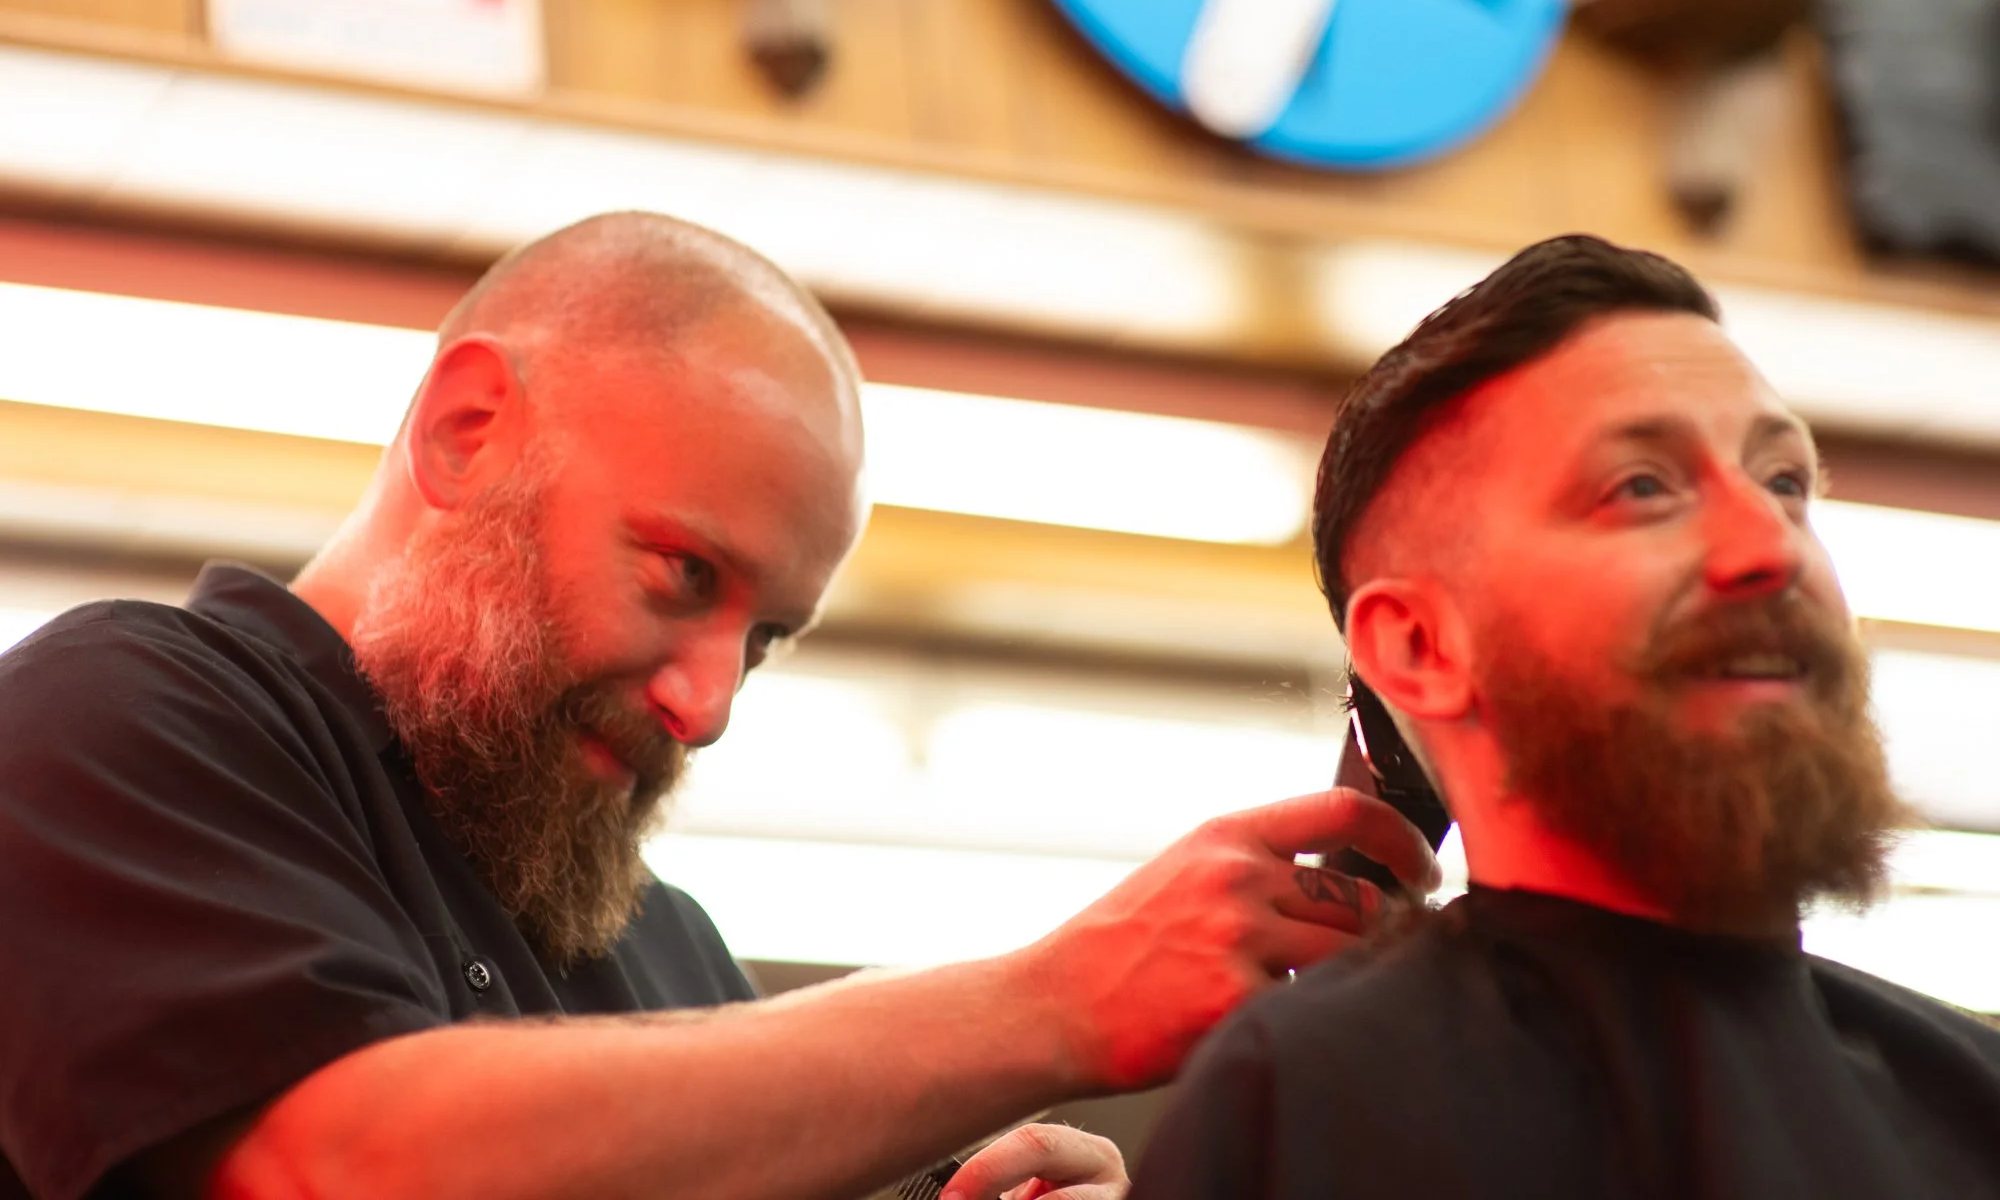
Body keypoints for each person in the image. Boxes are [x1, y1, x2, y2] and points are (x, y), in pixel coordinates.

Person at [0, 212, 1440, 1200]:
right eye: (684, 572)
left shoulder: (663, 945)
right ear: (466, 432)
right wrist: (1047, 999)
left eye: (763, 643)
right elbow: (345, 1162)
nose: (706, 706)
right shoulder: (124, 717)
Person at [1130, 235, 2000, 1199]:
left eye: (1784, 482)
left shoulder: (1976, 1100)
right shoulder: (1312, 1108)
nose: (1772, 546)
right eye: (1641, 487)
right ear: (1422, 646)